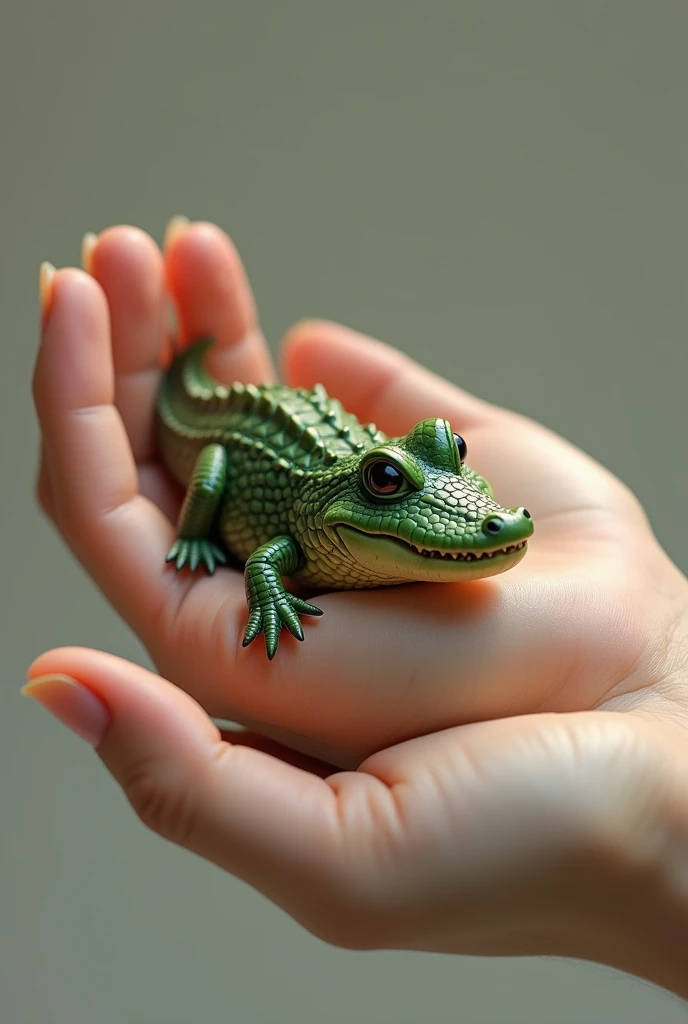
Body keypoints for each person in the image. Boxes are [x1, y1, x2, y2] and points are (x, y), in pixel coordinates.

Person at [27, 219, 688, 998]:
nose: (484, 517)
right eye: (389, 484)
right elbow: (271, 561)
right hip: (225, 444)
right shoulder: (306, 536)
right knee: (209, 479)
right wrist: (239, 576)